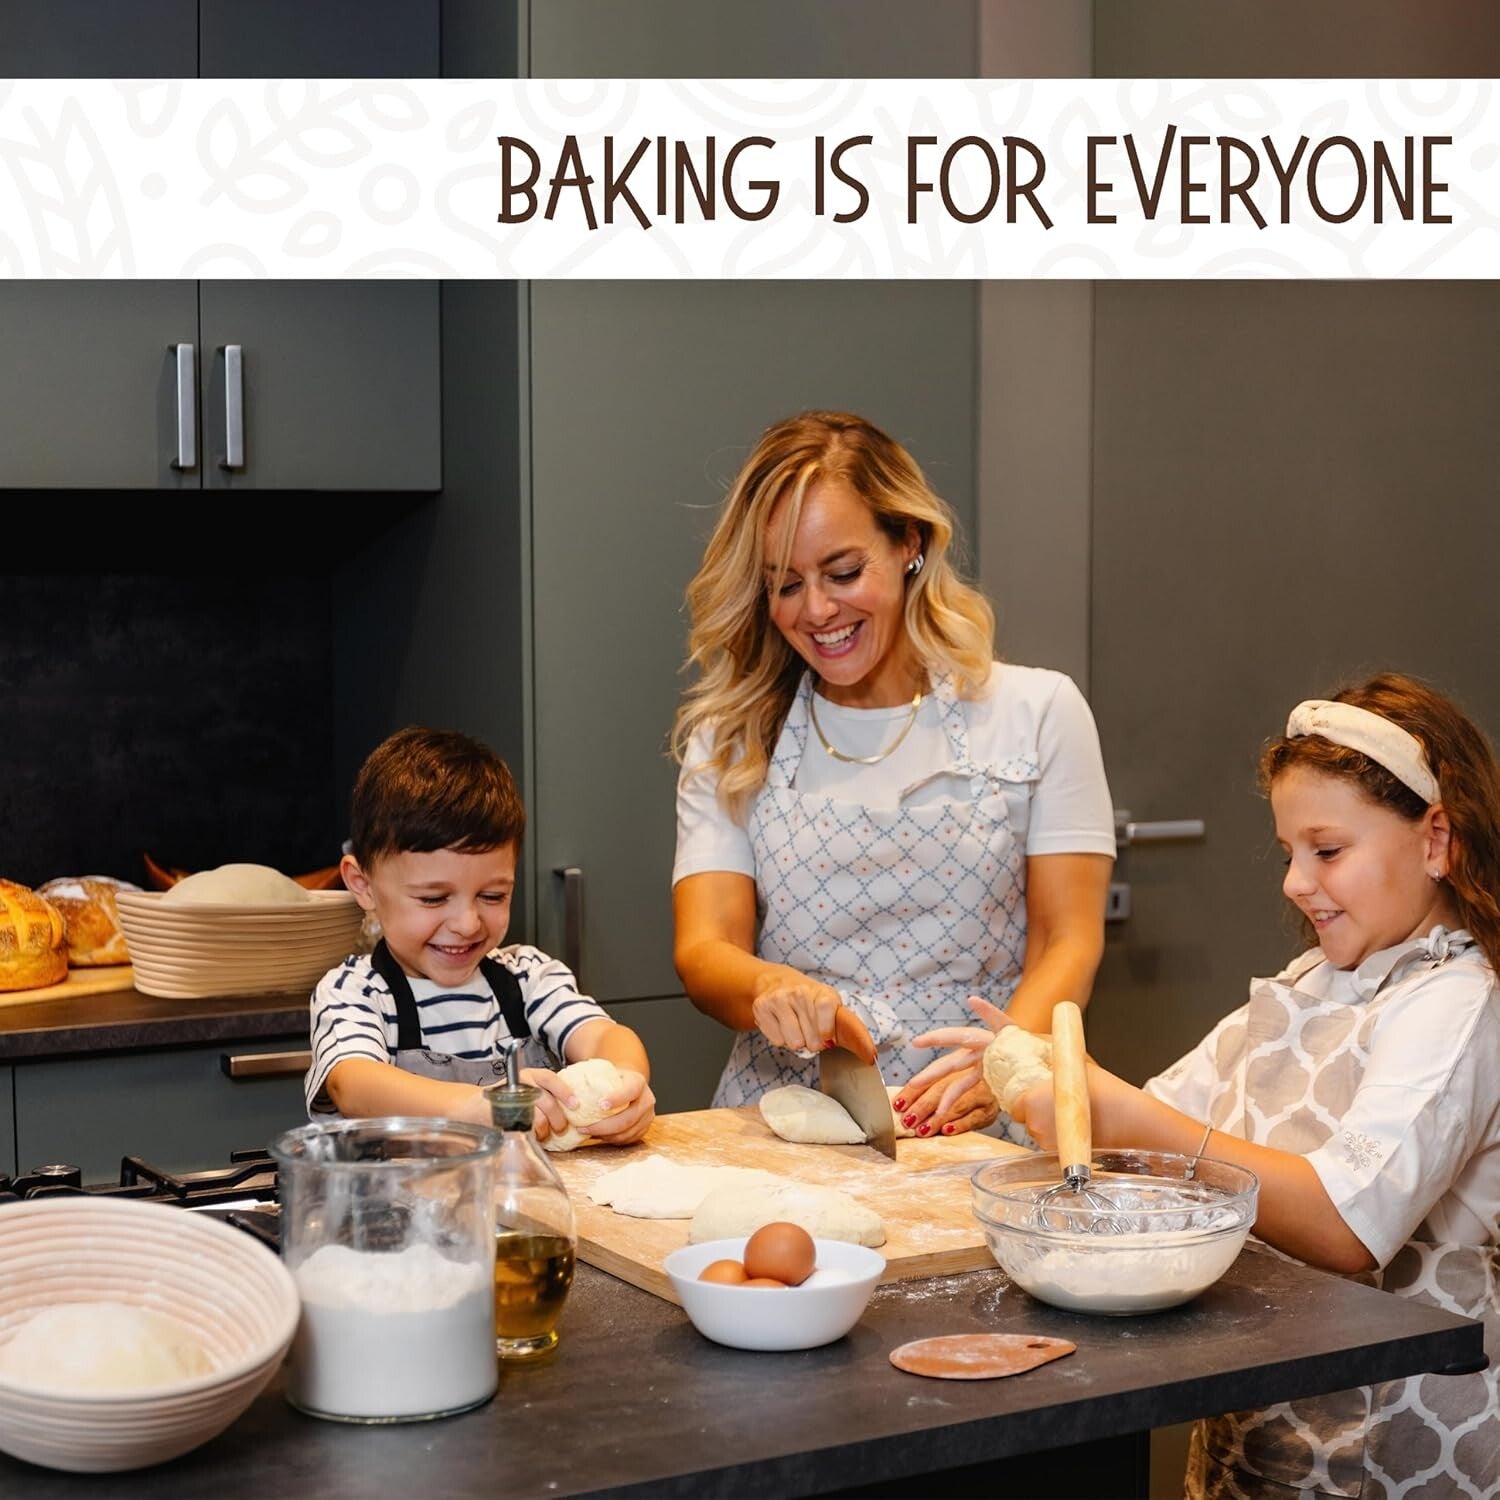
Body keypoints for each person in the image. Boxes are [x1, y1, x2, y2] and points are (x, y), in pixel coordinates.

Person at [930, 672, 1500, 1496]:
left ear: (1436, 840)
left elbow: (1349, 1224)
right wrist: (1035, 1089)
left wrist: (1110, 1107)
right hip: (1276, 1423)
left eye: (1327, 851)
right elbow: (1155, 1135)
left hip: (1404, 1439)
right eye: (1288, 853)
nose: (1295, 882)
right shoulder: (1310, 985)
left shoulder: (1458, 1004)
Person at [670, 410, 1116, 1136]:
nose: (817, 610)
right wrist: (768, 987)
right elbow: (704, 948)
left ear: (908, 544)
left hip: (979, 1108)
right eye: (785, 585)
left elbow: (1066, 940)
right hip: (787, 1119)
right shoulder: (732, 738)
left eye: (844, 572)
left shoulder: (1036, 712)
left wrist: (1006, 1063)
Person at [304, 726, 655, 1145]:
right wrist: (470, 1107)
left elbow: (604, 1035)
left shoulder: (528, 978)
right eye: (434, 899)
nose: (468, 923)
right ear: (362, 885)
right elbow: (354, 1083)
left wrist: (625, 1083)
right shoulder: (355, 992)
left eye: (492, 895)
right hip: (396, 1207)